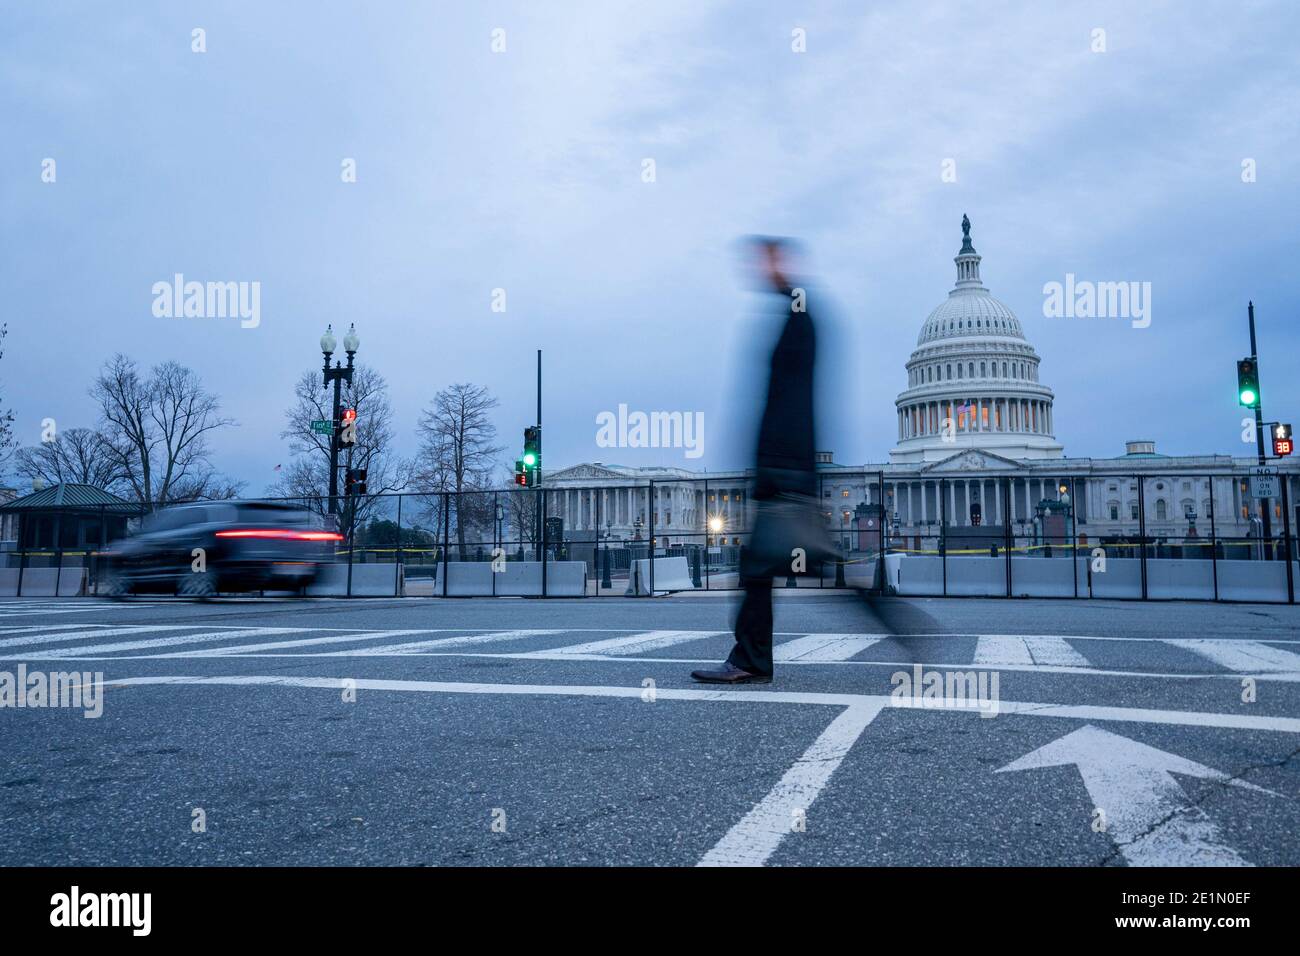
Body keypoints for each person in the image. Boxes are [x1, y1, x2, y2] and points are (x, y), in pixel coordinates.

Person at [692, 237, 818, 684]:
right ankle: (750, 658)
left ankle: (750, 659)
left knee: (761, 569)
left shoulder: (800, 319)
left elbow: (789, 404)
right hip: (786, 471)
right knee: (764, 569)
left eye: (768, 259)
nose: (759, 269)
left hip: (785, 474)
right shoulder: (794, 317)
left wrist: (775, 468)